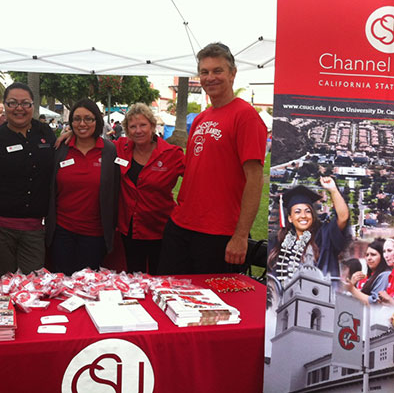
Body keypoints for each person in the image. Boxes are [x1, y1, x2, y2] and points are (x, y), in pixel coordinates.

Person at [157, 42, 267, 275]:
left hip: (219, 233)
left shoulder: (245, 116)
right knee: (169, 295)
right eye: (204, 72)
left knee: (210, 307)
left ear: (232, 73)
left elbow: (255, 180)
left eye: (218, 71)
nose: (210, 77)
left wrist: (240, 236)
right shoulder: (200, 118)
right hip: (181, 225)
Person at [0, 83, 56, 279]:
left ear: (33, 106)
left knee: (34, 286)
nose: (19, 108)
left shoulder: (46, 133)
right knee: (3, 284)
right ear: (4, 106)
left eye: (25, 103)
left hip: (34, 228)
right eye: (12, 103)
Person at [45, 98, 119, 275]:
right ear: (71, 123)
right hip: (62, 232)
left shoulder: (110, 151)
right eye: (77, 119)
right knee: (61, 286)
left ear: (97, 121)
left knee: (88, 288)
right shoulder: (60, 149)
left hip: (95, 234)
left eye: (88, 118)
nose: (82, 123)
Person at [116, 103, 184, 273]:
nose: (138, 130)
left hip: (160, 229)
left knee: (159, 278)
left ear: (153, 126)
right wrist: (71, 133)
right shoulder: (120, 148)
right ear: (127, 130)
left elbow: (197, 179)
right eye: (133, 126)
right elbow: (93, 142)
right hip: (130, 229)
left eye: (143, 125)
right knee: (133, 278)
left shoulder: (172, 154)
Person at [267, 179, 349, 287]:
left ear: (312, 216)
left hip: (322, 298)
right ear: (290, 218)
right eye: (297, 211)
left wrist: (333, 190)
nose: (303, 215)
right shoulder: (277, 244)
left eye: (308, 211)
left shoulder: (324, 236)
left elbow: (343, 218)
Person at [345, 239, 390, 305]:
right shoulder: (368, 277)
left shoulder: (385, 275)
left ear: (383, 257)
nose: (369, 258)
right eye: (367, 255)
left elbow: (375, 304)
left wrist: (352, 289)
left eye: (373, 254)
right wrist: (353, 285)